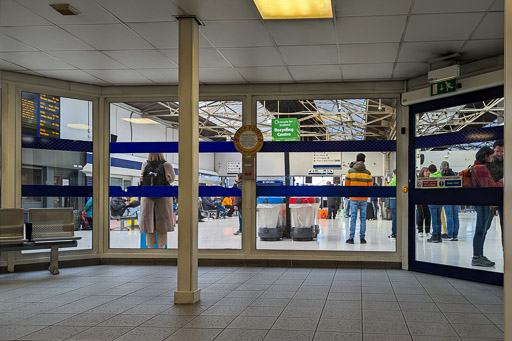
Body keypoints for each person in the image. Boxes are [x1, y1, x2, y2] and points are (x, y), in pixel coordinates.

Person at [471, 146, 503, 267]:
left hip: (481, 203)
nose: (493, 157)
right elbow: (488, 188)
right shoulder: (482, 169)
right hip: (484, 203)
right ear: (485, 156)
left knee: (482, 230)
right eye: (491, 155)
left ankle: (479, 254)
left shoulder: (476, 167)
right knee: (481, 230)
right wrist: (502, 182)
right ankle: (476, 257)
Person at [139, 153, 175, 248]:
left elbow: (141, 180)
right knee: (162, 226)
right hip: (163, 198)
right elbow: (171, 179)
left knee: (149, 225)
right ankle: (161, 248)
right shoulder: (167, 165)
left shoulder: (145, 164)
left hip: (147, 198)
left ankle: (150, 249)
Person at [345, 154, 373, 244]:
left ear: (356, 160)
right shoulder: (368, 173)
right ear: (364, 161)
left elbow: (346, 185)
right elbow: (370, 187)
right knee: (363, 218)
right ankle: (362, 238)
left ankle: (351, 238)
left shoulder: (350, 171)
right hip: (363, 198)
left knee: (353, 217)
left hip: (353, 198)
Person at [487, 140, 504, 247]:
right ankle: (478, 255)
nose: (499, 154)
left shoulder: (508, 161)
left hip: (505, 197)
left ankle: (505, 252)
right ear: (493, 150)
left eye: (502, 152)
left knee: (505, 228)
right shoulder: (489, 162)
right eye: (497, 151)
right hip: (491, 197)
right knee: (485, 226)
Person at [440, 161, 460, 241]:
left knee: (449, 216)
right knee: (456, 217)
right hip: (456, 197)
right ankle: (455, 235)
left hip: (447, 197)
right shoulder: (454, 174)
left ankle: (450, 235)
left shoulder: (442, 175)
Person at [427, 164, 443, 243]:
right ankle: (439, 236)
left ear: (429, 171)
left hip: (432, 201)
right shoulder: (440, 176)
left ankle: (435, 236)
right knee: (438, 218)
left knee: (434, 219)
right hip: (440, 200)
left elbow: (428, 190)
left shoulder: (430, 178)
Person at [416, 167, 431, 237]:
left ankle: (428, 230)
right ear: (422, 173)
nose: (428, 173)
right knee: (420, 215)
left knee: (428, 215)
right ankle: (420, 230)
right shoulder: (419, 181)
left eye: (428, 171)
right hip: (420, 200)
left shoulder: (431, 180)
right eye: (426, 171)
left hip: (428, 200)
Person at [388, 169, 397, 238]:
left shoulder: (392, 181)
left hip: (393, 201)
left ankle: (394, 233)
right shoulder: (402, 180)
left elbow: (388, 191)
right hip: (400, 201)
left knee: (394, 217)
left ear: (394, 173)